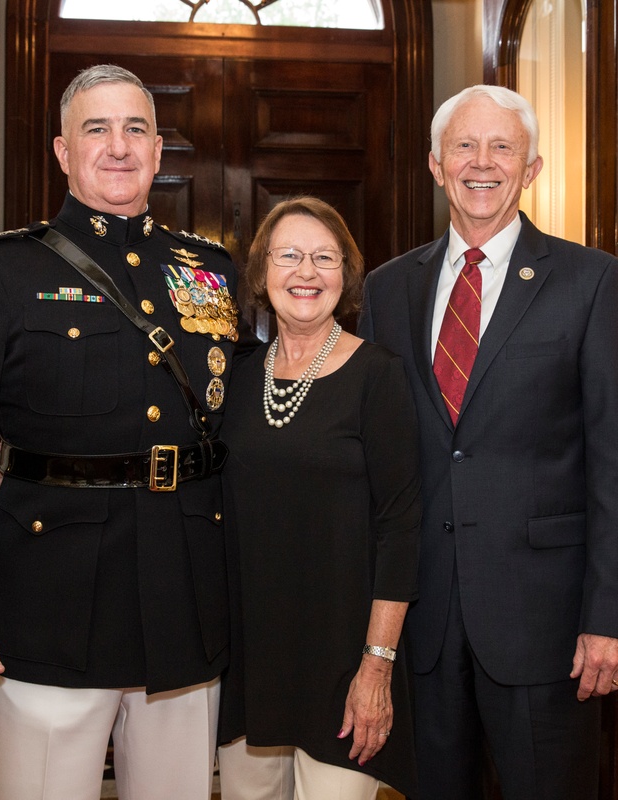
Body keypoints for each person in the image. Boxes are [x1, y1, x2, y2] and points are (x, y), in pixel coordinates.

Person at [0, 64, 252, 799]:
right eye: (97, 129)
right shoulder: (2, 271)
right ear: (63, 153)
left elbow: (245, 415)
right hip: (47, 601)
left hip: (186, 599)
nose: (118, 147)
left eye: (135, 129)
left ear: (159, 153)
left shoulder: (211, 272)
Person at [357, 85, 618, 800]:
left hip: (544, 623)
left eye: (501, 147)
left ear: (532, 167)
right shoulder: (387, 290)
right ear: (434, 163)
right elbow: (375, 464)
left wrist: (613, 618)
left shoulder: (590, 281)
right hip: (421, 621)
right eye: (464, 145)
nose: (480, 162)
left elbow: (615, 464)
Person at [215, 197, 422, 800]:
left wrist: (377, 666)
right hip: (250, 654)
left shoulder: (379, 376)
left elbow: (400, 528)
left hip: (345, 661)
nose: (306, 272)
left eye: (324, 258)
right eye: (289, 256)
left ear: (346, 276)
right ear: (261, 274)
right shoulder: (232, 374)